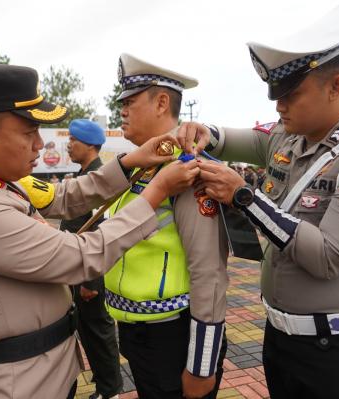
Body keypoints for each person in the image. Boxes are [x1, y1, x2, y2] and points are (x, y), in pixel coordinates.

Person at [176, 2, 339, 398]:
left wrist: (243, 196)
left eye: (291, 93)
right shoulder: (291, 136)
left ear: (336, 86)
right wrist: (204, 130)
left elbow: (330, 257)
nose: (279, 105)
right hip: (280, 340)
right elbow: (246, 139)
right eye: (276, 93)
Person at [0, 63, 200, 399]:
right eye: (28, 133)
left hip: (37, 373)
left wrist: (130, 161)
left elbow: (64, 197)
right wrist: (156, 193)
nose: (40, 144)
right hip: (17, 386)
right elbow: (82, 256)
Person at [103, 53, 229, 399]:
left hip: (173, 338)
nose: (122, 111)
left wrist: (201, 365)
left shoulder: (187, 170)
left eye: (130, 102)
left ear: (162, 103)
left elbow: (209, 271)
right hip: (138, 332)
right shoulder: (141, 165)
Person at [59, 119, 122, 399]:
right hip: (77, 270)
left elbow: (102, 232)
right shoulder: (84, 175)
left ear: (89, 144)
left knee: (99, 331)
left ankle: (111, 391)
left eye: (73, 140)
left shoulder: (99, 178)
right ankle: (103, 385)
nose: (68, 145)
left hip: (90, 275)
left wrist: (92, 281)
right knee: (88, 331)